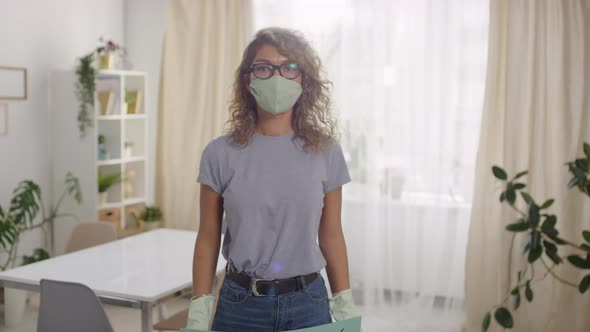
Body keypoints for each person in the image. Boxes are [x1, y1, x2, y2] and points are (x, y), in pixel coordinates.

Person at [186, 27, 360, 331]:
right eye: (264, 67)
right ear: (248, 78)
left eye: (289, 67)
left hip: (309, 303)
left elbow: (331, 235)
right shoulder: (219, 153)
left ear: (303, 79)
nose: (277, 77)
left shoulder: (326, 152)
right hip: (241, 306)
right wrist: (199, 312)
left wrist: (344, 307)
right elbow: (208, 238)